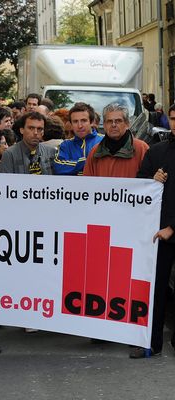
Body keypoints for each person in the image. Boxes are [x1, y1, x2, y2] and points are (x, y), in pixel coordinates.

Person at [134, 103, 175, 358]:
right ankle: (152, 342)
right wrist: (152, 180)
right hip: (159, 233)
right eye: (173, 118)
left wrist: (173, 227)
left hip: (168, 229)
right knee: (155, 289)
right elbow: (140, 185)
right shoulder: (157, 151)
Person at [83, 103, 148, 178]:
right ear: (104, 125)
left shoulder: (141, 149)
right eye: (109, 121)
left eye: (118, 121)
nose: (113, 125)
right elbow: (87, 183)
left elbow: (150, 180)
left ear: (127, 124)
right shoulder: (95, 152)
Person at [53, 103, 103, 176]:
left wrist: (72, 167)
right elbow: (58, 167)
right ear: (71, 124)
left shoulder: (104, 141)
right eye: (75, 121)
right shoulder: (65, 145)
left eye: (84, 120)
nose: (80, 126)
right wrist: (87, 162)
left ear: (92, 122)